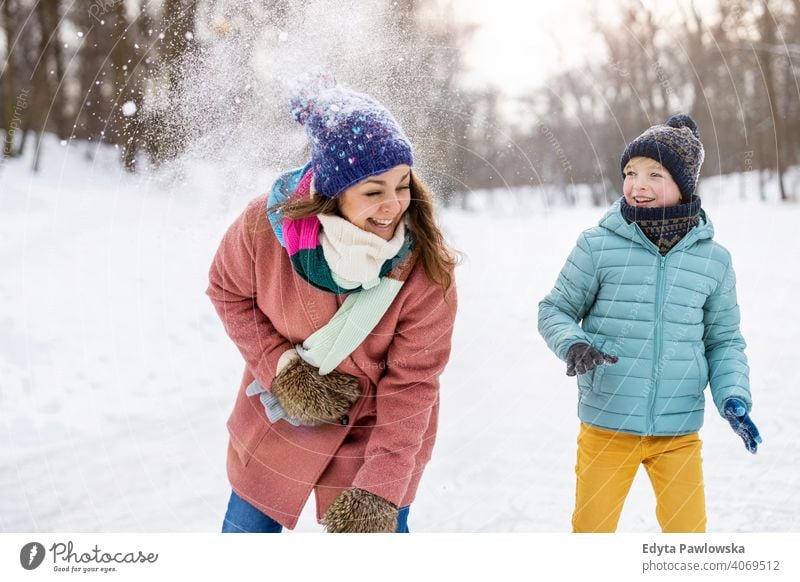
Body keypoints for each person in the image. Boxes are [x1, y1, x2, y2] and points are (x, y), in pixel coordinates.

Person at [207, 73, 458, 533]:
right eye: (373, 191)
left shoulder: (425, 266)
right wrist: (282, 369)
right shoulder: (265, 229)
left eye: (402, 184)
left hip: (376, 440)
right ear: (333, 191)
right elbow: (227, 291)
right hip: (280, 419)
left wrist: (380, 488)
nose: (394, 205)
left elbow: (413, 385)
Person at [538, 114, 761, 533]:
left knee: (688, 541)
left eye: (654, 174)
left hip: (678, 431)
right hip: (608, 422)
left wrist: (733, 396)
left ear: (685, 185)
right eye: (630, 173)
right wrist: (573, 344)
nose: (637, 185)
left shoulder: (713, 260)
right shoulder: (597, 245)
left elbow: (725, 340)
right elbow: (555, 309)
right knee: (591, 534)